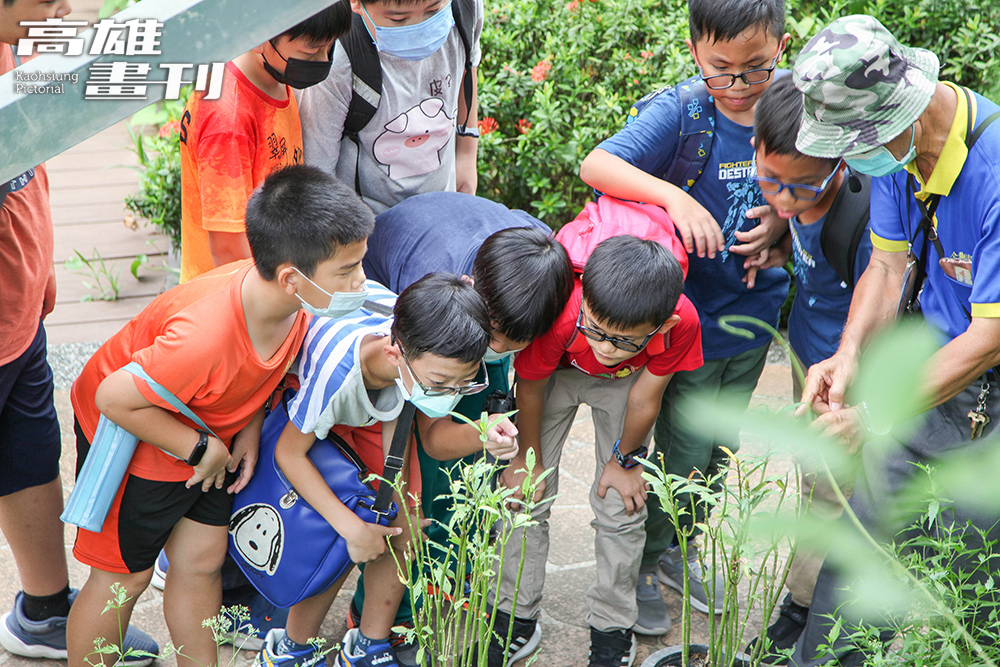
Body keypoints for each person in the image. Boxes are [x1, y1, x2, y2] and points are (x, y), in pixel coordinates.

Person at [65, 166, 374, 667]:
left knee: (202, 562)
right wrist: (199, 447)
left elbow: (258, 373)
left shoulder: (293, 306)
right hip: (136, 437)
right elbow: (113, 396)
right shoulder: (204, 337)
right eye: (347, 271)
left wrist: (248, 424)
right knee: (125, 578)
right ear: (293, 278)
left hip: (212, 435)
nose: (360, 280)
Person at [788, 15, 1000, 666]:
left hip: (986, 391)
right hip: (924, 370)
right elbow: (886, 265)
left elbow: (989, 338)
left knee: (969, 585)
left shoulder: (993, 172)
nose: (851, 161)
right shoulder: (895, 149)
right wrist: (848, 355)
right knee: (856, 568)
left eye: (857, 143)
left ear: (901, 111)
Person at [579, 0, 791, 634]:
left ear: (782, 45)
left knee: (719, 449)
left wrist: (783, 215)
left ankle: (677, 549)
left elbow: (825, 176)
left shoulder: (793, 104)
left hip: (755, 314)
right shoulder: (683, 111)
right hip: (686, 325)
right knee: (681, 450)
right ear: (696, 49)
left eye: (755, 69)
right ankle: (646, 559)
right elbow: (597, 165)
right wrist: (673, 196)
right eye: (719, 69)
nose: (737, 87)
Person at [344, 192, 574, 658]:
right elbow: (424, 434)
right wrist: (406, 500)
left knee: (480, 448)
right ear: (472, 289)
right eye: (492, 341)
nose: (501, 351)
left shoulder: (544, 277)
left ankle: (446, 575)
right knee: (424, 475)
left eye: (513, 344)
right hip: (406, 303)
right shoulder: (433, 291)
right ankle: (392, 615)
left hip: (464, 311)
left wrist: (519, 458)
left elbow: (523, 377)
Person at [0, 1, 157, 662]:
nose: (64, 10)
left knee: (30, 454)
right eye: (49, 2)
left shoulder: (20, 39)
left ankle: (43, 607)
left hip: (19, 312)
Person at [255, 272, 493, 667]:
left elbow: (414, 426)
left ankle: (370, 644)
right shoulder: (336, 374)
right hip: (316, 407)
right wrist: (352, 529)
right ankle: (291, 648)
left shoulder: (420, 348)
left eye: (462, 384)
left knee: (405, 527)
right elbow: (289, 454)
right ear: (394, 355)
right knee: (331, 538)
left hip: (385, 403)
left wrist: (483, 435)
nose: (450, 394)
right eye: (441, 383)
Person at [490, 235, 703, 667]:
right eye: (598, 332)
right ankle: (515, 617)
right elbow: (530, 385)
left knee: (623, 506)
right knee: (522, 496)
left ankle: (612, 628)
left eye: (621, 339)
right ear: (584, 298)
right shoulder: (566, 311)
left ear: (662, 326)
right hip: (557, 373)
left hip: (630, 381)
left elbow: (647, 398)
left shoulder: (682, 322)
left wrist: (624, 462)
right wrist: (524, 461)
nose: (605, 348)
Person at [743, 75, 872, 657]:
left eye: (803, 188)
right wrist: (781, 239)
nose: (786, 200)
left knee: (833, 492)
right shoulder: (789, 201)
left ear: (841, 165)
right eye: (773, 182)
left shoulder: (865, 221)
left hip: (847, 374)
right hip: (806, 354)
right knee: (812, 481)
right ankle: (807, 593)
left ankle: (806, 609)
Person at [178, 2, 351, 282]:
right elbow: (228, 249)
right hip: (235, 296)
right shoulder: (227, 117)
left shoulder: (273, 73)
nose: (322, 61)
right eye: (310, 51)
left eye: (329, 48)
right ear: (259, 36)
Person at [297, 0, 484, 213]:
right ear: (355, 3)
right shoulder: (338, 56)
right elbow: (319, 174)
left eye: (433, 11)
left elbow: (469, 66)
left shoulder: (465, 8)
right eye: (398, 18)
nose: (418, 29)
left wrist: (467, 154)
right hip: (370, 224)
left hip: (443, 202)